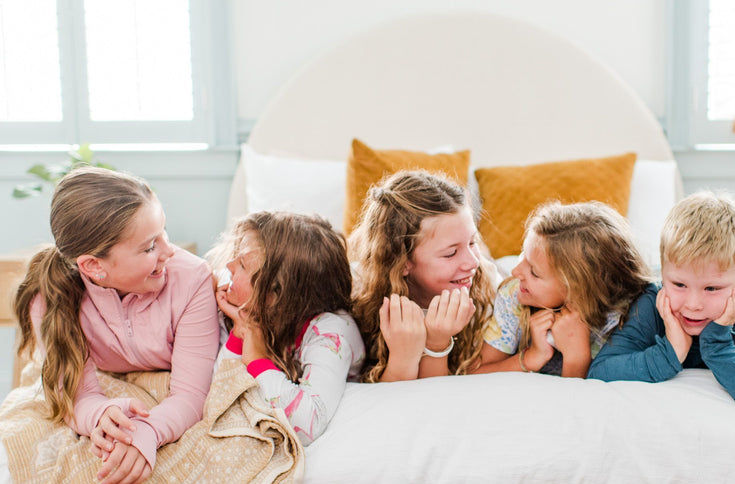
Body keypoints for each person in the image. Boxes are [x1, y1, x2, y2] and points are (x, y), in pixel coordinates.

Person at [13, 166, 220, 484]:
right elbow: (77, 397)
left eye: (164, 232)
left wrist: (148, 431)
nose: (168, 251)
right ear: (93, 266)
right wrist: (101, 415)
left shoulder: (192, 279)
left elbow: (192, 393)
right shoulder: (49, 298)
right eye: (150, 246)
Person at [588, 191, 735, 425]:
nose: (693, 305)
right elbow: (599, 372)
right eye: (679, 284)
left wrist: (718, 345)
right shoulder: (653, 305)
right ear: (662, 272)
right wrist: (670, 352)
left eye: (712, 288)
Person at [214, 211, 365, 445]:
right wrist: (240, 331)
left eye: (242, 264)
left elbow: (307, 423)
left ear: (276, 295)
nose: (229, 266)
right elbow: (218, 393)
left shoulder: (331, 331)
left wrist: (256, 357)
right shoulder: (253, 313)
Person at [349, 169, 495, 382]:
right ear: (402, 261)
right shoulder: (359, 299)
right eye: (450, 253)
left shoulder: (487, 291)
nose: (473, 262)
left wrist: (438, 343)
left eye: (473, 242)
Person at [476, 201, 652, 378]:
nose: (516, 272)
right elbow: (475, 375)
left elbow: (582, 402)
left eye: (534, 273)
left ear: (577, 290)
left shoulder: (627, 320)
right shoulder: (515, 294)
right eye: (523, 254)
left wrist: (576, 358)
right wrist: (532, 357)